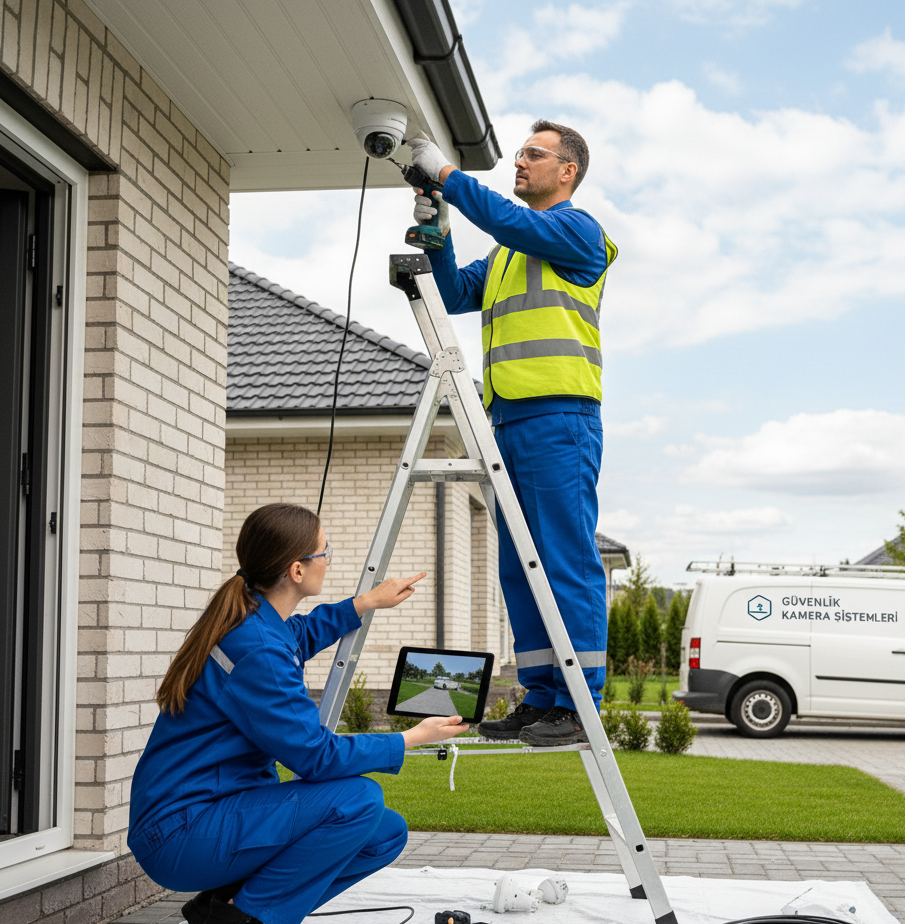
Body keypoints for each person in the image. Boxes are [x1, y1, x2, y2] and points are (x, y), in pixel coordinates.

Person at [127, 503, 467, 924]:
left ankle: (228, 902)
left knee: (384, 833)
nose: (329, 559)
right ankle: (245, 918)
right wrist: (412, 736)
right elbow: (318, 758)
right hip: (181, 833)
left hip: (208, 811)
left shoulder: (253, 620)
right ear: (297, 570)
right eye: (326, 552)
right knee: (358, 800)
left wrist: (364, 603)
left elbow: (299, 635)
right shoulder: (257, 648)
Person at [406, 120, 617, 747]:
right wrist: (438, 237)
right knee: (519, 569)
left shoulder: (579, 231)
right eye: (520, 154)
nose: (519, 163)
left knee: (565, 562)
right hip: (508, 421)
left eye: (533, 155)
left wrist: (447, 176)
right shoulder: (507, 255)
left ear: (568, 171)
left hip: (560, 419)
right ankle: (543, 699)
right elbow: (451, 292)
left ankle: (581, 707)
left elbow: (511, 220)